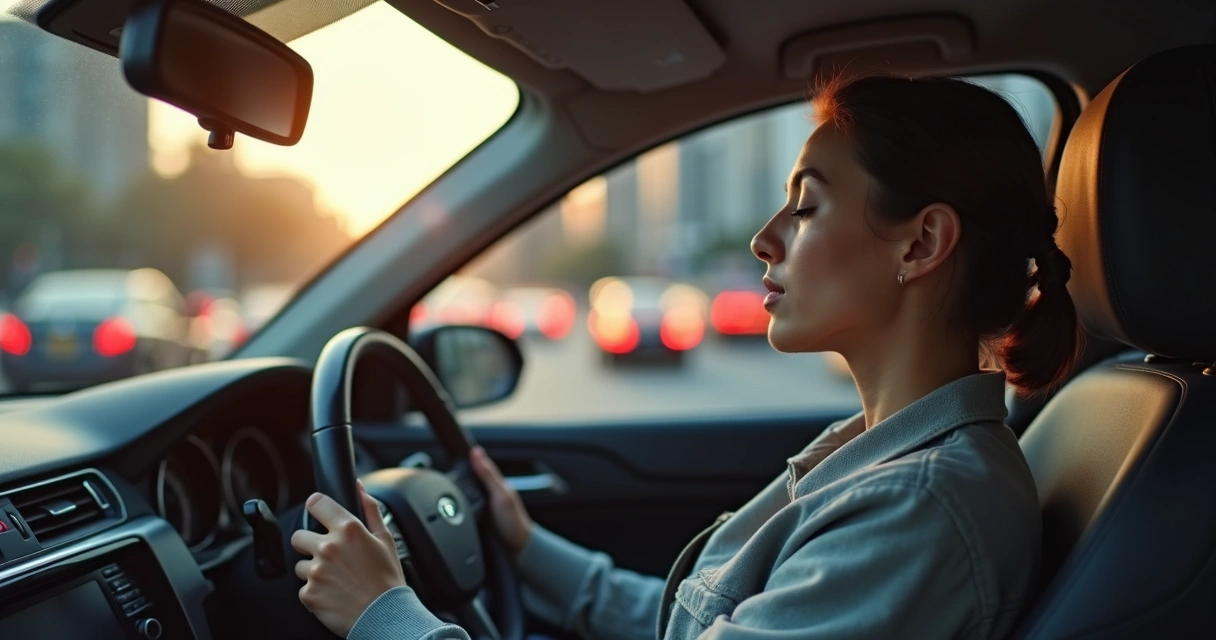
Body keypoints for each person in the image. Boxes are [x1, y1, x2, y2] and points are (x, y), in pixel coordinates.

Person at [289, 73, 1081, 639]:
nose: (764, 238)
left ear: (922, 242)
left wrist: (384, 615)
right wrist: (525, 545)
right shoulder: (881, 459)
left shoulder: (920, 510)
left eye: (806, 205)